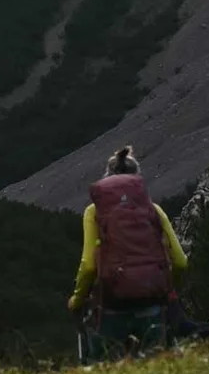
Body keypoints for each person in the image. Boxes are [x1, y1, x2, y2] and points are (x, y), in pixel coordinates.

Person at [69, 146, 189, 355]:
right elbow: (180, 261)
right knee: (156, 364)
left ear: (107, 178)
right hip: (151, 302)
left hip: (111, 305)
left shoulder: (94, 212)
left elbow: (88, 267)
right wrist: (167, 290)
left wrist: (77, 300)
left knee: (106, 366)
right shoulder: (154, 210)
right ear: (137, 180)